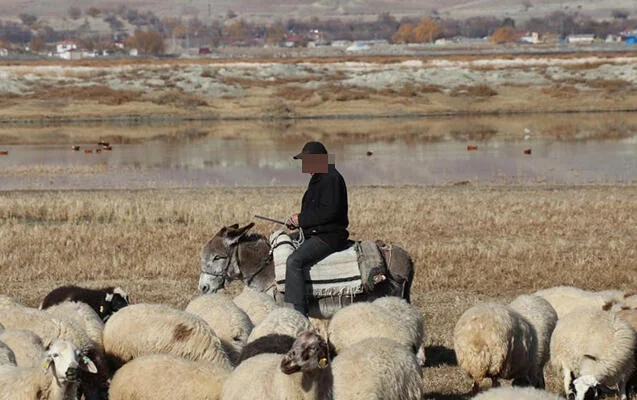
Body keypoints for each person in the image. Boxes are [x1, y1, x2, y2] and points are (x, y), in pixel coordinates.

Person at [284, 141, 349, 316]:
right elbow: (316, 211)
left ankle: (298, 311)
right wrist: (298, 221)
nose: (304, 166)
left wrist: (302, 219)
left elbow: (329, 212)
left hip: (329, 236)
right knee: (282, 241)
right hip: (316, 231)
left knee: (294, 261)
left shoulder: (331, 178)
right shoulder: (321, 177)